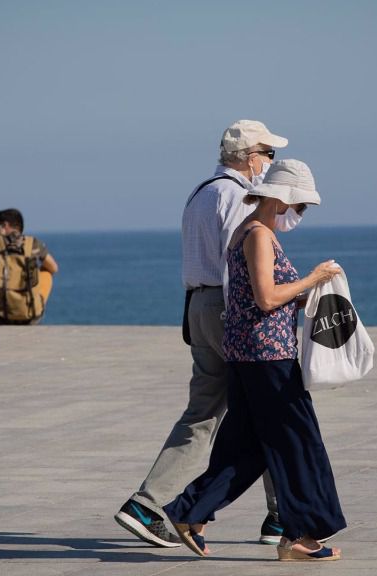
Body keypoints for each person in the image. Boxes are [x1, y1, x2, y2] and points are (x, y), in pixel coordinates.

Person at [114, 120, 290, 548]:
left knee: (208, 413)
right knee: (268, 407)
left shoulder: (202, 192)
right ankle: (280, 517)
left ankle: (148, 502)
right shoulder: (234, 196)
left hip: (199, 306)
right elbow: (243, 260)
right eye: (267, 155)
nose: (270, 163)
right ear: (249, 158)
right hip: (227, 309)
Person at [164, 159, 347, 562]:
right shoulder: (259, 235)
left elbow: (255, 297)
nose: (300, 213)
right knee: (299, 442)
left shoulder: (248, 231)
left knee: (247, 446)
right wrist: (312, 280)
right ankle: (298, 535)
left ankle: (187, 512)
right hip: (268, 357)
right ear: (282, 198)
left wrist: (304, 294)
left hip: (250, 352)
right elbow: (265, 298)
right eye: (300, 205)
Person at [0, 208, 59, 325]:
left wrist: (2, 271)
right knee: (46, 273)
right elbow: (54, 268)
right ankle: (34, 305)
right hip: (30, 316)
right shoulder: (33, 244)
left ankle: (1, 304)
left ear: (5, 225)